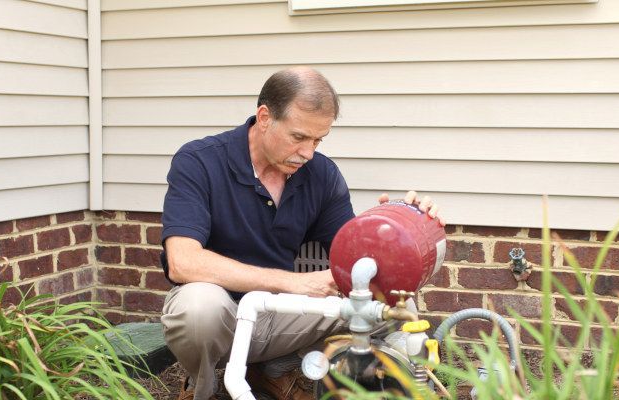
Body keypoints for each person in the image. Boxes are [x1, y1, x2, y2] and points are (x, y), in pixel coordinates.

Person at [160, 67, 442, 400]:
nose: (308, 152)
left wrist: (398, 221)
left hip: (281, 317)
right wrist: (293, 283)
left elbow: (354, 258)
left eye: (317, 140)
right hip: (223, 318)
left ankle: (274, 372)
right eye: (298, 137)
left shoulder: (320, 174)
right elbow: (183, 262)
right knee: (198, 306)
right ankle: (201, 389)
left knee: (385, 306)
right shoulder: (199, 162)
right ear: (264, 117)